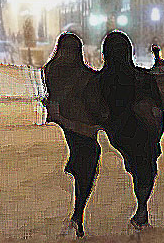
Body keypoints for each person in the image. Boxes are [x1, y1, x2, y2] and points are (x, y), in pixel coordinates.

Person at [98, 31, 164, 231]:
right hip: (145, 133)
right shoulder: (143, 78)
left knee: (138, 167)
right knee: (144, 170)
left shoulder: (102, 81)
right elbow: (158, 104)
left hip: (121, 134)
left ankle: (142, 208)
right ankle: (142, 207)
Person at [43, 32, 107, 239]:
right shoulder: (81, 75)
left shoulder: (52, 70)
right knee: (87, 164)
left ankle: (77, 216)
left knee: (84, 163)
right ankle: (77, 215)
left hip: (70, 125)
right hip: (82, 127)